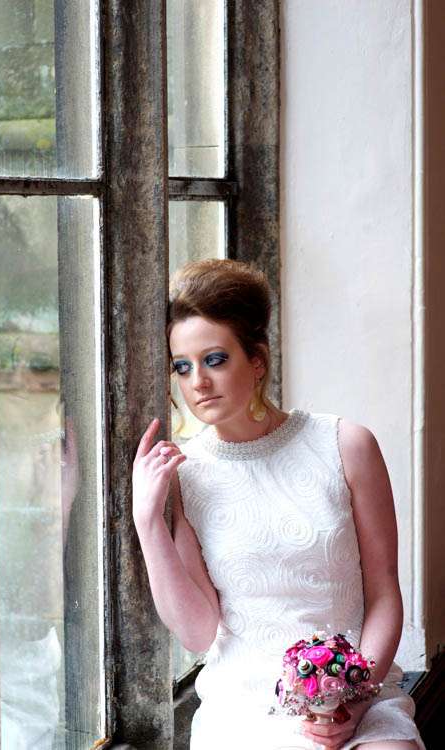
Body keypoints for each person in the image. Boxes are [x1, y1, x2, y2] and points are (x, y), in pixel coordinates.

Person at [132, 259, 426, 750]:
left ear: (257, 361)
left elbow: (383, 594)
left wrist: (352, 702)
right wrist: (147, 521)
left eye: (215, 359)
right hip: (243, 709)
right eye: (182, 366)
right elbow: (198, 633)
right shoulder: (186, 475)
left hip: (359, 693)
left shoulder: (347, 445)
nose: (197, 381)